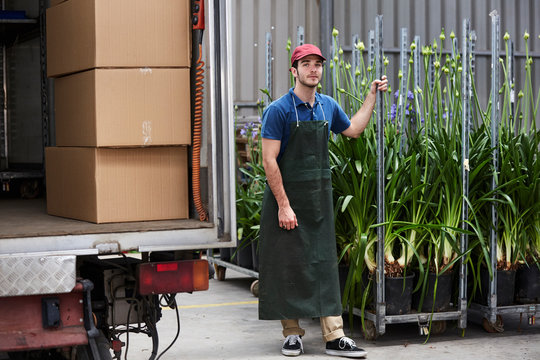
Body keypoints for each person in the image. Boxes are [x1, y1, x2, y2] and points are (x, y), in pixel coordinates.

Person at [258, 43, 388, 358]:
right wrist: (284, 205)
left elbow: (354, 130)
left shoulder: (327, 106)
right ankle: (292, 334)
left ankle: (335, 336)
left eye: (317, 63)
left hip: (318, 202)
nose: (313, 69)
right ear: (294, 70)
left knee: (324, 266)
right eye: (306, 64)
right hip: (285, 200)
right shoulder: (279, 110)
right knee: (289, 266)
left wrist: (371, 96)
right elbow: (269, 160)